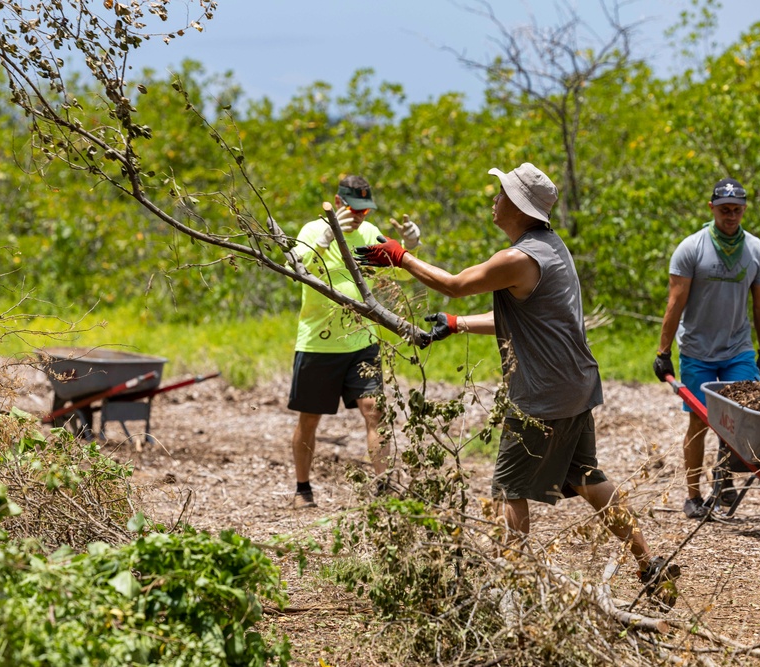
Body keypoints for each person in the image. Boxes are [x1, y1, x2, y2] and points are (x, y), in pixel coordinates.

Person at [355, 163, 680, 601]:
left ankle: (513, 587)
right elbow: (521, 318)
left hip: (543, 392)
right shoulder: (551, 248)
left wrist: (400, 257)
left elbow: (453, 284)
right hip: (577, 383)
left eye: (502, 193)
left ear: (521, 208)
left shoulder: (519, 258)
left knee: (509, 488)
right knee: (586, 477)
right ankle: (650, 564)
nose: (495, 198)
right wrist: (456, 324)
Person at [287, 175, 421, 509]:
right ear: (337, 201)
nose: (359, 215)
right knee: (309, 419)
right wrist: (324, 239)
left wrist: (410, 247)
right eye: (354, 208)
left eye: (365, 209)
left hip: (362, 340)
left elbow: (401, 272)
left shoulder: (368, 232)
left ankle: (384, 492)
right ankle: (303, 489)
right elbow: (300, 269)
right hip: (318, 343)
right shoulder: (310, 231)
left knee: (375, 411)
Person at [653, 177, 760, 519]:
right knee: (699, 422)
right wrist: (663, 353)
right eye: (724, 210)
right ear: (712, 209)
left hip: (737, 349)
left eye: (736, 210)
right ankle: (693, 495)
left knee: (741, 418)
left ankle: (723, 474)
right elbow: (675, 303)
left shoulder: (756, 250)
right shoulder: (691, 248)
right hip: (697, 350)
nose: (730, 216)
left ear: (744, 210)